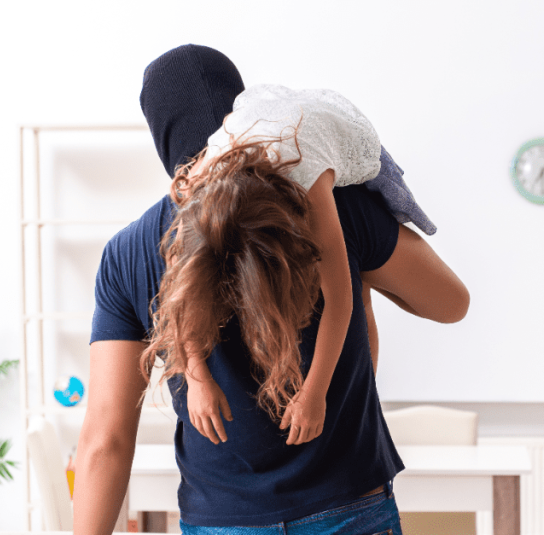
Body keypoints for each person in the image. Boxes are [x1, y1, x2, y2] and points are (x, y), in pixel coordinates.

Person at [72, 44, 469, 535]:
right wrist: (363, 278)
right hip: (348, 506)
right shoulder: (333, 203)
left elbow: (105, 440)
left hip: (223, 518)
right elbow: (450, 303)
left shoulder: (131, 251)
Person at [178, 82, 434, 446]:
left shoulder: (311, 186)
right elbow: (184, 296)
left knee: (360, 293)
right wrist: (197, 378)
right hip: (260, 118)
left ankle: (361, 273)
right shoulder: (196, 189)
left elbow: (339, 301)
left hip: (339, 132)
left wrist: (314, 394)